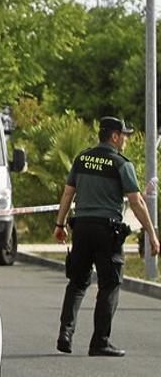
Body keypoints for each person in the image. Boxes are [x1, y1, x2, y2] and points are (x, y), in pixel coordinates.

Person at [54, 116, 160, 357]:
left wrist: (59, 224)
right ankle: (100, 342)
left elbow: (68, 193)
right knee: (110, 285)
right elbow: (136, 202)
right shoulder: (121, 164)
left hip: (81, 228)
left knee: (77, 283)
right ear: (114, 136)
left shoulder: (82, 158)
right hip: (107, 232)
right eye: (124, 135)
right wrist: (152, 234)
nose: (126, 139)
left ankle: (65, 334)